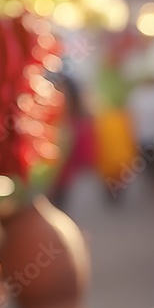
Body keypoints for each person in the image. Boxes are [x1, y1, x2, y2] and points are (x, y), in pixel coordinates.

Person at [49, 75, 98, 208]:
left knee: (60, 202)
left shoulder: (78, 123)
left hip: (65, 175)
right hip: (50, 176)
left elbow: (85, 152)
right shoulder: (49, 122)